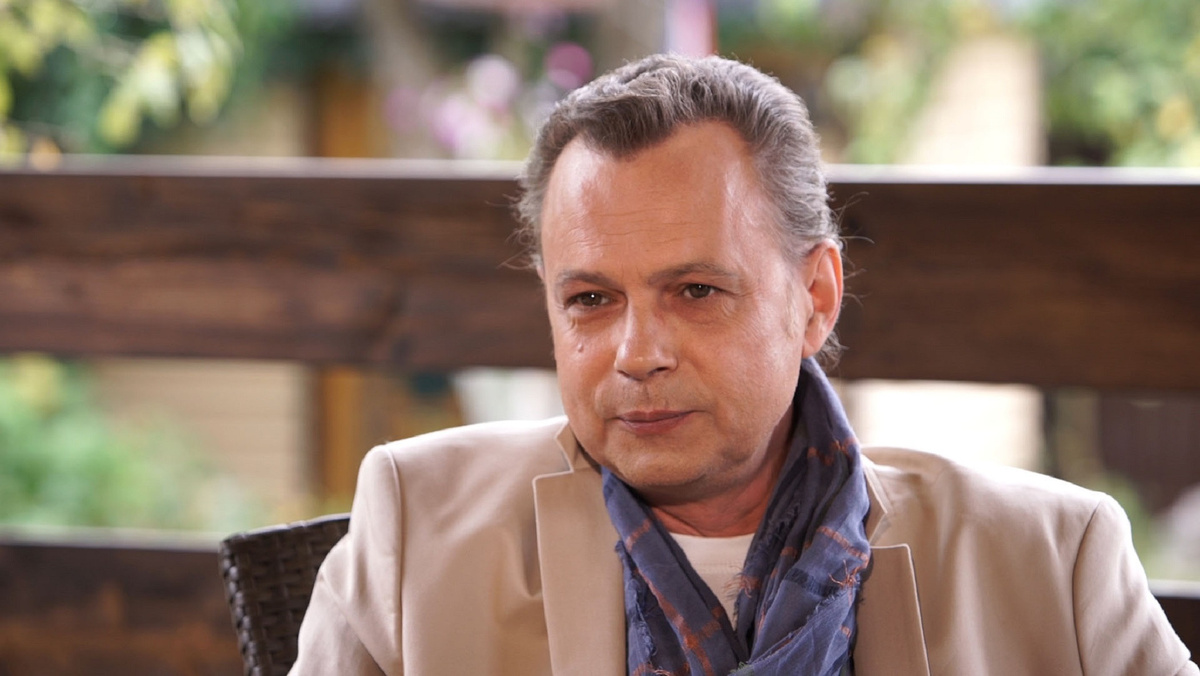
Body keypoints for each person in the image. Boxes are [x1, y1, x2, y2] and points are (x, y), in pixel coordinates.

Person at [290, 54, 1197, 675]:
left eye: (695, 290)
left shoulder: (1052, 561)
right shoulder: (418, 526)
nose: (637, 354)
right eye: (592, 300)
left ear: (816, 296)